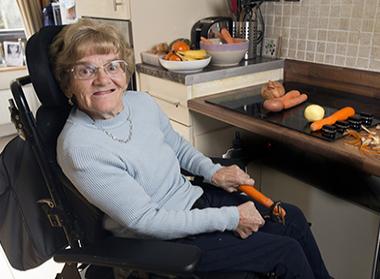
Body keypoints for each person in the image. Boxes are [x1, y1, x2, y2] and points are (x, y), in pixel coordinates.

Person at [51, 19, 331, 279]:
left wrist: (213, 173)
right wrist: (231, 218)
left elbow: (175, 146)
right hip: (163, 241)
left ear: (124, 72)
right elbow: (146, 221)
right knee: (285, 253)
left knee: (290, 218)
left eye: (112, 65)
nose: (103, 79)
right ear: (68, 83)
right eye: (86, 70)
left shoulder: (139, 103)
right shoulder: (80, 147)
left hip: (193, 200)